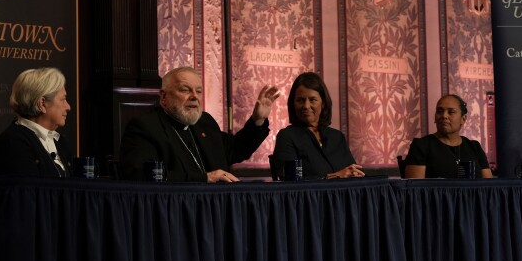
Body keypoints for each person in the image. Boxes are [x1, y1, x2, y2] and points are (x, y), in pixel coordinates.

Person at [119, 66, 280, 182]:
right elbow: (140, 175)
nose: (194, 96)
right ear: (163, 97)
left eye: (199, 91)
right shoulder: (145, 127)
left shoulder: (205, 122)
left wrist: (257, 120)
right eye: (185, 90)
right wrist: (204, 178)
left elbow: (236, 150)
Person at [272, 72, 364, 179]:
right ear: (293, 104)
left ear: (323, 103)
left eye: (312, 100)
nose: (306, 106)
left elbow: (352, 173)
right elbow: (289, 182)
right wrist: (334, 176)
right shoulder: (286, 136)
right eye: (300, 100)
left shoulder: (337, 137)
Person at [0, 67, 74, 178]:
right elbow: (28, 192)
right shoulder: (13, 142)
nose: (68, 107)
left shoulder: (60, 142)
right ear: (42, 104)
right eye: (63, 99)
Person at [404, 94, 493, 179]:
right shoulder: (422, 146)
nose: (444, 116)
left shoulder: (474, 147)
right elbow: (415, 190)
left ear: (463, 119)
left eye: (451, 112)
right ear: (435, 117)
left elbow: (489, 187)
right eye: (439, 111)